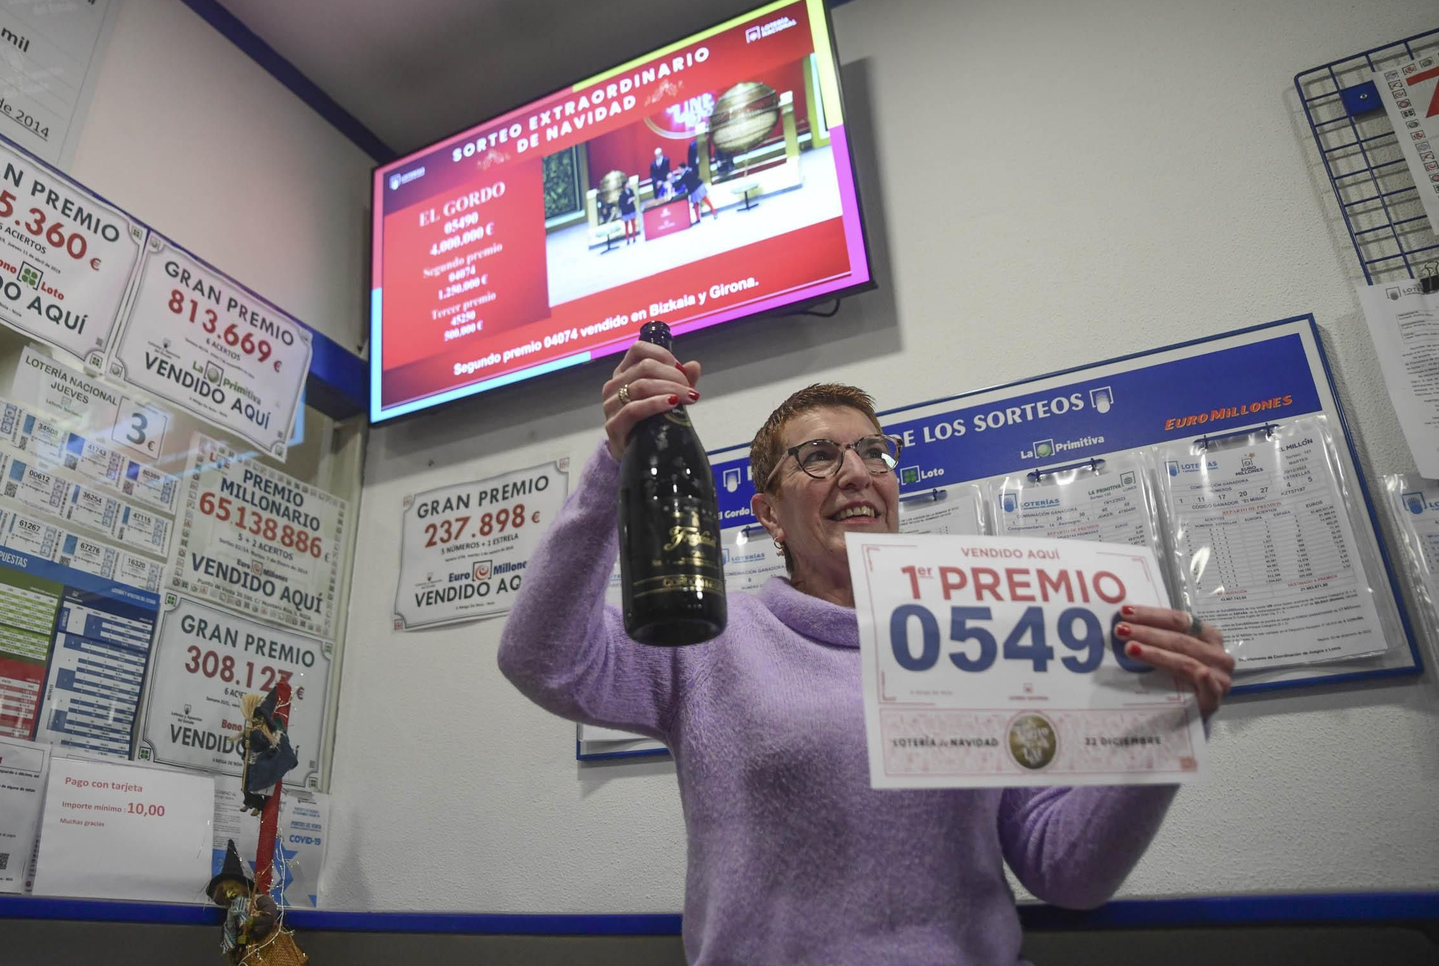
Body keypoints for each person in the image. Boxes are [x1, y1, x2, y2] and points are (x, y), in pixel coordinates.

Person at [498, 340, 1235, 966]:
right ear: (769, 514)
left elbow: (1066, 871)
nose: (857, 472)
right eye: (818, 457)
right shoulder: (715, 639)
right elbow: (542, 656)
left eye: (874, 452)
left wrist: (1162, 723)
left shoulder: (972, 637)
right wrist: (614, 463)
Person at [681, 140, 717, 223]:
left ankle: (711, 212)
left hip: (696, 186)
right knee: (697, 202)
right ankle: (700, 217)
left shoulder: (690, 168)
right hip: (695, 186)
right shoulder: (690, 167)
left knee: (702, 199)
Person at [617, 179, 638, 244]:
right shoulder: (621, 194)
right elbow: (621, 204)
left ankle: (634, 237)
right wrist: (627, 202)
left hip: (631, 209)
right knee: (626, 226)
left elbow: (635, 197)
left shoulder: (631, 190)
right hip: (625, 211)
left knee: (633, 224)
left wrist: (632, 199)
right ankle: (628, 239)